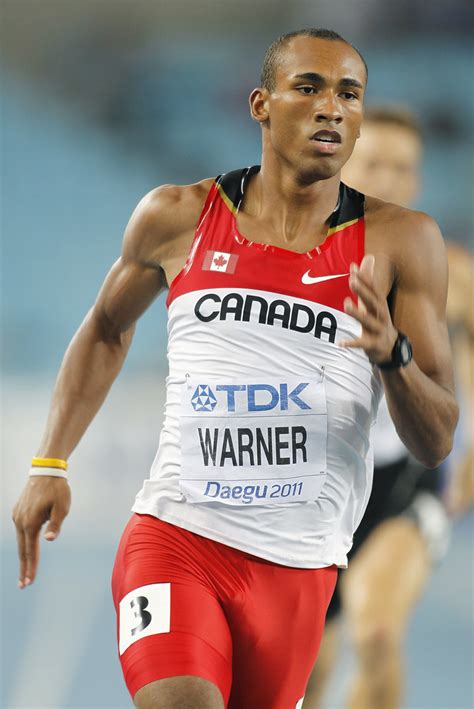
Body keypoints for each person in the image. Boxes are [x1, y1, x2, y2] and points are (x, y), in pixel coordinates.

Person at [12, 29, 458, 709]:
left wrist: (392, 355)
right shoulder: (179, 216)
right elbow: (106, 326)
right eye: (308, 87)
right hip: (175, 537)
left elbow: (436, 440)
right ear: (261, 104)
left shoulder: (403, 243)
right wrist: (50, 461)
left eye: (348, 94)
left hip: (299, 570)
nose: (331, 108)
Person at [303, 107, 472, 709]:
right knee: (308, 674)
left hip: (408, 478)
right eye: (376, 164)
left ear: (419, 181)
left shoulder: (453, 273)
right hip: (320, 486)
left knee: (376, 634)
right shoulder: (301, 260)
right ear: (343, 164)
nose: (391, 179)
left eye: (404, 168)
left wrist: (467, 468)